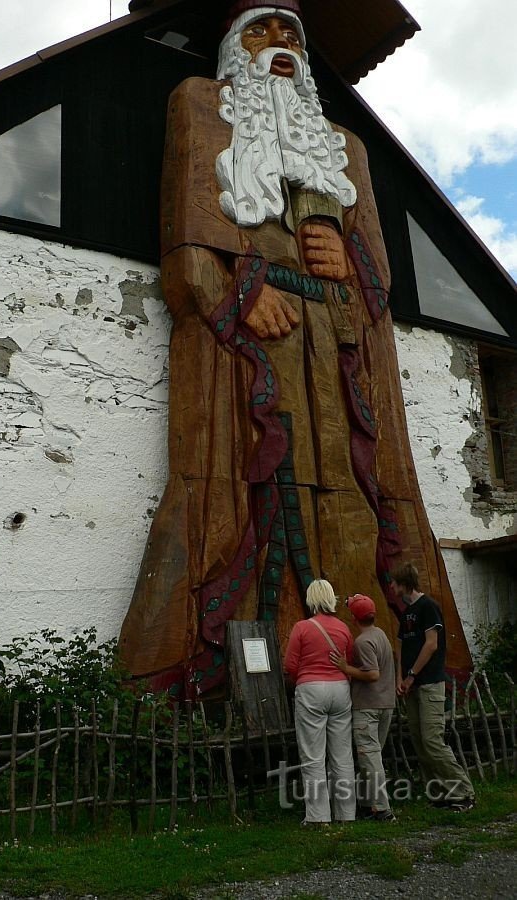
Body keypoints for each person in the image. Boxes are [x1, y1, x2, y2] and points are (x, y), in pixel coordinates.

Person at [118, 0, 471, 700]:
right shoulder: (200, 105)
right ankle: (225, 668)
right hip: (252, 340)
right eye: (261, 28)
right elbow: (187, 241)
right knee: (248, 482)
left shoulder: (344, 149)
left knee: (356, 493)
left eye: (292, 33)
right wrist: (239, 291)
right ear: (230, 48)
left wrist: (344, 254)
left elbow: (379, 273)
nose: (280, 42)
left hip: (336, 346)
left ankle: (368, 646)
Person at [392, 562, 475, 811]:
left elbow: (431, 645)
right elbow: (400, 646)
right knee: (419, 741)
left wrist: (411, 675)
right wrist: (400, 678)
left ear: (404, 583)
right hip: (412, 685)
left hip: (428, 683)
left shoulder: (428, 606)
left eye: (394, 582)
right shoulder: (406, 612)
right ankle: (438, 793)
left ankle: (463, 791)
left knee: (432, 740)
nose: (391, 586)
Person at [283, 579, 355, 825]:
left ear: (311, 599)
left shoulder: (302, 628)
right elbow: (349, 658)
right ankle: (347, 815)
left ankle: (318, 817)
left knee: (313, 756)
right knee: (342, 755)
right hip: (340, 689)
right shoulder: (344, 628)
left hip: (311, 689)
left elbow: (290, 665)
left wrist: (302, 678)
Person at [330, 593, 396, 821]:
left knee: (369, 758)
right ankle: (369, 805)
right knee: (372, 757)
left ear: (354, 617)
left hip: (368, 707)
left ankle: (383, 808)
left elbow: (373, 673)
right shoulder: (381, 635)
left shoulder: (363, 641)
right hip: (385, 704)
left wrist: (345, 668)